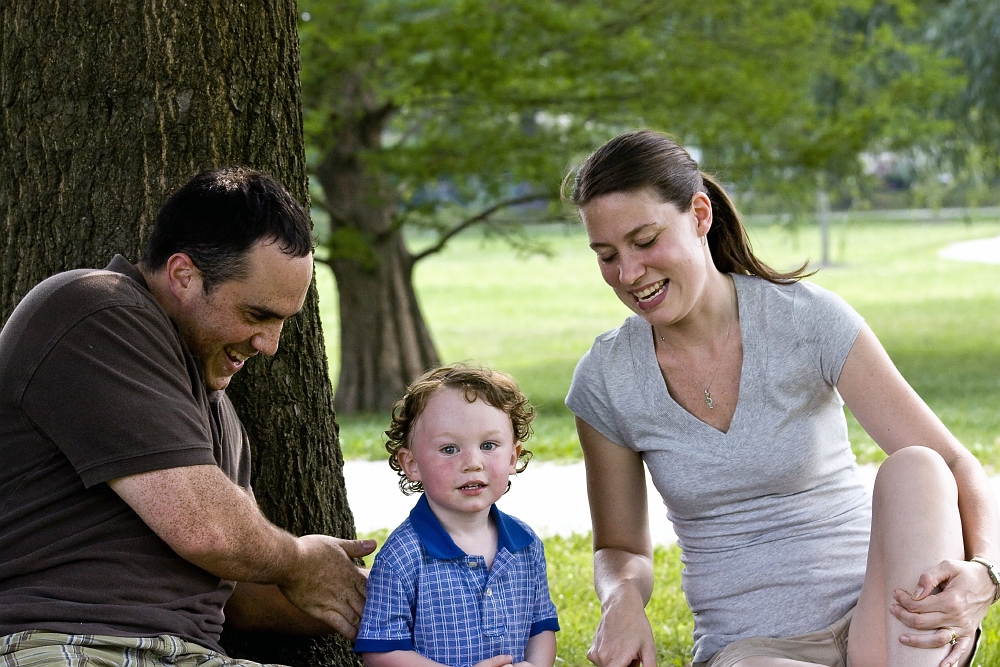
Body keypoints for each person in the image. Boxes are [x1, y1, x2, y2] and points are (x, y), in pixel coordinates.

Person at [562, 130, 1000, 667]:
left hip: (885, 623)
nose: (628, 274)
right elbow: (622, 548)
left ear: (700, 215)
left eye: (646, 241)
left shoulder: (807, 320)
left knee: (920, 468)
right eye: (606, 255)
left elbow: (956, 462)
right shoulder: (607, 378)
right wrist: (621, 597)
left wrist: (986, 571)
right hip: (755, 651)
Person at [0, 167, 375, 667]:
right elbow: (209, 532)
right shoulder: (94, 310)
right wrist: (301, 560)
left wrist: (400, 603)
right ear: (183, 275)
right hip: (67, 646)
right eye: (258, 315)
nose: (269, 345)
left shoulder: (212, 404)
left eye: (283, 321)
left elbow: (242, 590)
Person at [355, 364, 560, 667]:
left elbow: (541, 627)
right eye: (450, 449)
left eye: (488, 445)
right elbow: (380, 652)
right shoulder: (403, 557)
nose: (473, 463)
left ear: (513, 457)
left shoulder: (525, 544)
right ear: (411, 464)